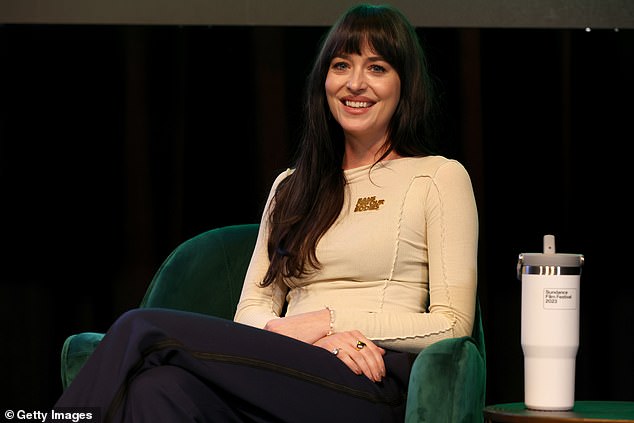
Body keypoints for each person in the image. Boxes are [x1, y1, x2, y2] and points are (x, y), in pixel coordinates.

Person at [54, 3, 478, 422]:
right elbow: (253, 308)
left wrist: (329, 321)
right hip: (287, 367)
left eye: (377, 68)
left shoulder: (437, 177)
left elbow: (452, 324)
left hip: (369, 375)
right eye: (341, 65)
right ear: (323, 80)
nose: (355, 83)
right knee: (157, 389)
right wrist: (316, 339)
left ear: (405, 84)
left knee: (140, 329)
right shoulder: (291, 185)